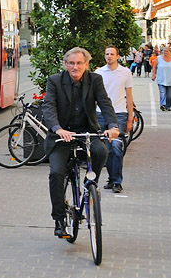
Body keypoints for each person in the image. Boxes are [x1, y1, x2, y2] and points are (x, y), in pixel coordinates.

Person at [42, 47, 119, 239]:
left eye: (79, 63)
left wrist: (112, 125)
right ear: (65, 64)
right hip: (62, 135)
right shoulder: (55, 81)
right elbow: (48, 106)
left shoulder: (95, 80)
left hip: (87, 132)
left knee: (101, 151)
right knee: (56, 173)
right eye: (71, 63)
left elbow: (105, 103)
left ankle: (89, 184)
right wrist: (57, 128)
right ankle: (59, 219)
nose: (75, 67)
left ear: (86, 65)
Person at [95, 45, 134, 193]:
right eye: (107, 54)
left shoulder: (125, 72)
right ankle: (111, 179)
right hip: (101, 114)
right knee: (107, 150)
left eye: (112, 54)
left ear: (117, 56)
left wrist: (130, 118)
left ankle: (117, 181)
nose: (109, 56)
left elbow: (129, 96)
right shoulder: (99, 73)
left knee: (117, 148)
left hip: (119, 114)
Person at [152, 45, 171, 111]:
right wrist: (153, 75)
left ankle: (168, 106)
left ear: (170, 52)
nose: (165, 52)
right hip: (161, 78)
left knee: (169, 94)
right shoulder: (159, 58)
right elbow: (154, 67)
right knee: (162, 93)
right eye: (164, 51)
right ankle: (163, 105)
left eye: (167, 51)